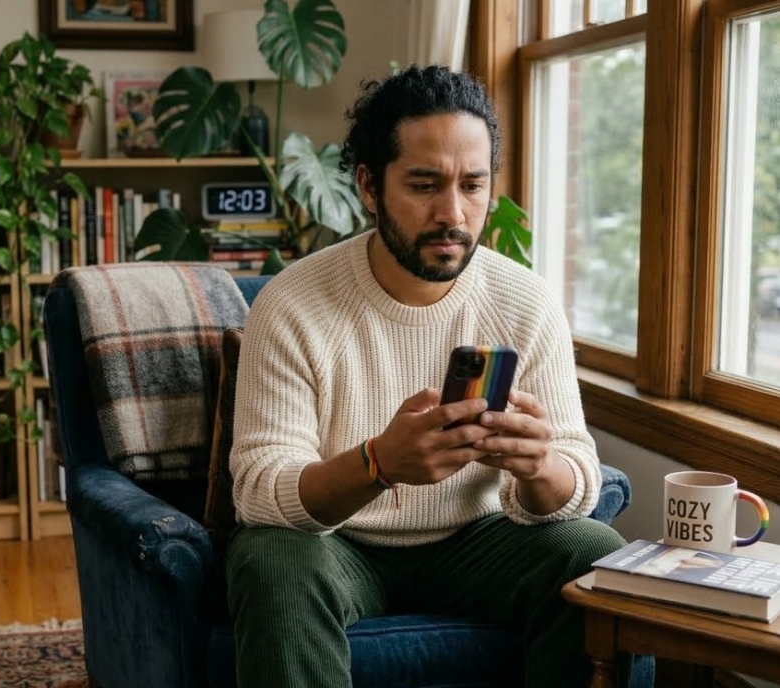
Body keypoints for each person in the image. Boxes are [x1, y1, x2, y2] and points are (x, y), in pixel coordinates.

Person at [225, 64, 632, 688]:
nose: (453, 214)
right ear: (368, 185)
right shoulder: (292, 304)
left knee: (594, 554)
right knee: (270, 558)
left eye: (473, 186)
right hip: (339, 546)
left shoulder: (524, 301)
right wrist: (378, 464)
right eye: (424, 185)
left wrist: (538, 465)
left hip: (481, 541)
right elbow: (258, 490)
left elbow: (576, 478)